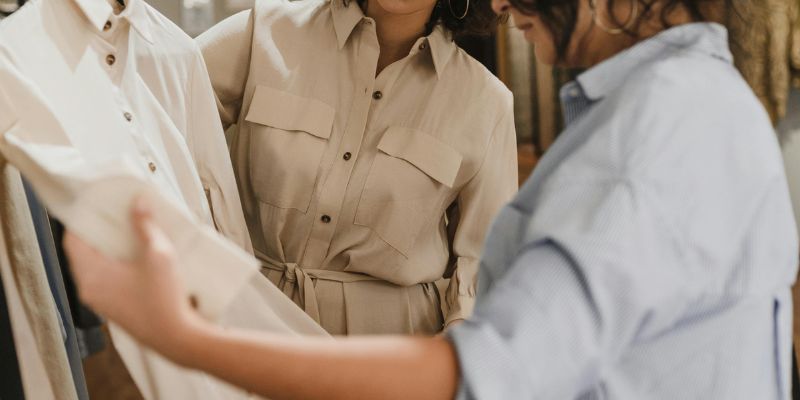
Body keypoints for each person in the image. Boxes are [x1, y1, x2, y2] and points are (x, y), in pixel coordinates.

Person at [64, 0, 799, 398]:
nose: (505, 0)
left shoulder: (654, 131)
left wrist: (185, 340)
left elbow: (483, 370)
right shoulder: (687, 106)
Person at [195, 0, 519, 335]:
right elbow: (150, 110)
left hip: (391, 353)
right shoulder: (263, 33)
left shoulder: (487, 103)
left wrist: (447, 359)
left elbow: (483, 261)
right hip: (246, 323)